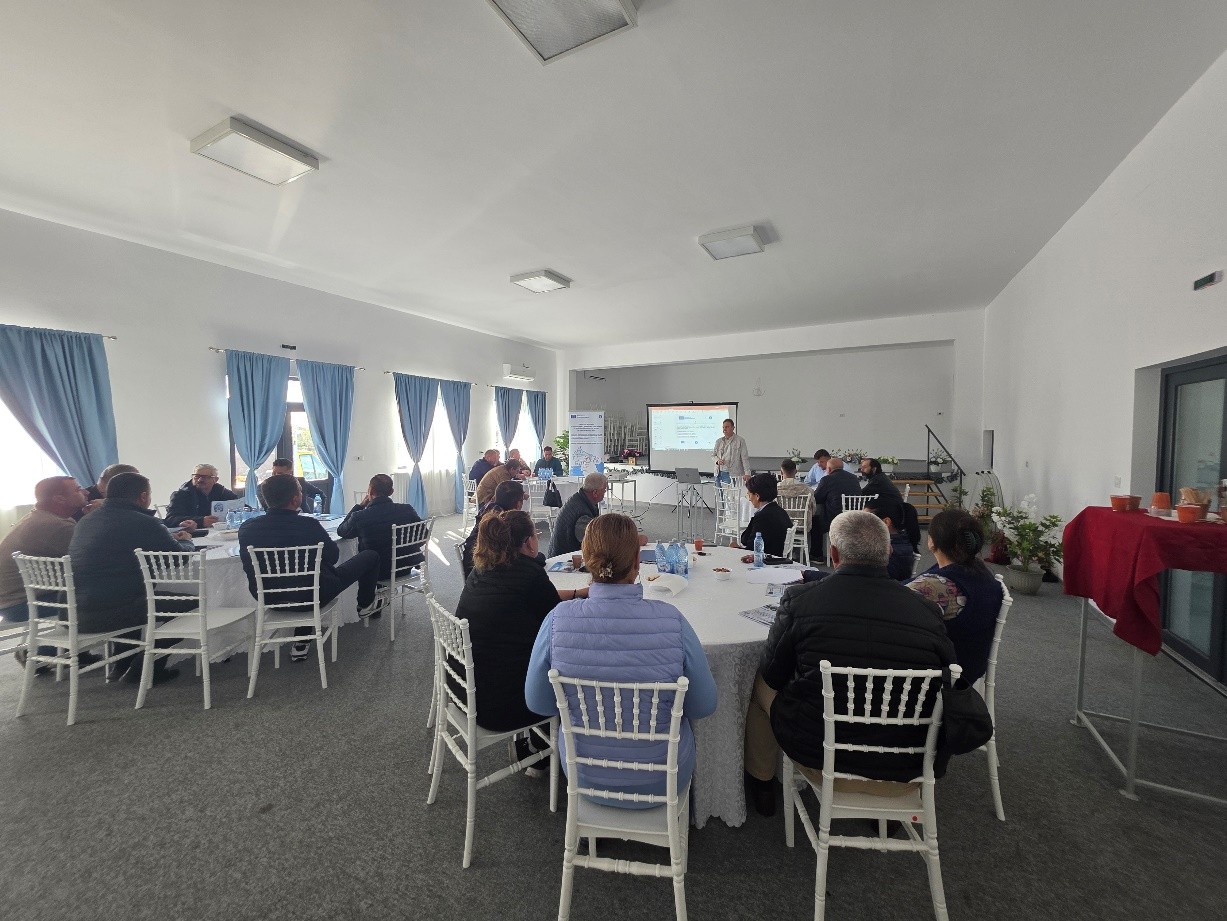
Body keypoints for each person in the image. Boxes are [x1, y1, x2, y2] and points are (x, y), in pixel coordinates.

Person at [743, 510, 956, 816]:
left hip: (820, 759)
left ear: (833, 554)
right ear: (889, 552)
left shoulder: (801, 600)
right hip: (907, 768)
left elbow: (775, 675)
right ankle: (891, 816)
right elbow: (946, 686)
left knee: (761, 682)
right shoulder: (927, 611)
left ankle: (762, 784)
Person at [524, 514, 717, 807]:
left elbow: (538, 703)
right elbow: (704, 706)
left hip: (583, 774)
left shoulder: (556, 620)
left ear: (586, 560)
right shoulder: (673, 621)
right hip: (663, 778)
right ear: (637, 561)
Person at [456, 510, 589, 765]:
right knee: (567, 669)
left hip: (465, 689)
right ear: (528, 542)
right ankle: (541, 751)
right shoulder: (530, 574)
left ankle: (535, 747)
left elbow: (537, 598)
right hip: (500, 707)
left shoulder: (482, 569)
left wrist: (576, 592)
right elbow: (557, 624)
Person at [69, 472, 197, 685]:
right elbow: (177, 557)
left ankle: (122, 664)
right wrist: (187, 541)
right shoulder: (143, 521)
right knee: (192, 604)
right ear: (143, 496)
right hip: (111, 612)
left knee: (132, 594)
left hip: (74, 609)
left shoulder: (87, 520)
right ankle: (145, 667)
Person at [239, 474, 382, 659]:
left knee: (305, 579)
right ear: (295, 499)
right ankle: (365, 606)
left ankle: (302, 641)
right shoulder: (308, 525)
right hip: (313, 595)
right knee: (370, 556)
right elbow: (333, 557)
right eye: (300, 491)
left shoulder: (247, 528)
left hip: (269, 597)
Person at [0, 477, 90, 669]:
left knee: (93, 592)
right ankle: (41, 651)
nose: (86, 492)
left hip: (16, 598)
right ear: (59, 499)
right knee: (105, 600)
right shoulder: (55, 526)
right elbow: (95, 556)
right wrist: (95, 518)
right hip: (21, 604)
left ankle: (66, 650)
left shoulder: (42, 517)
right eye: (78, 489)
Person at [908, 508, 1005, 684]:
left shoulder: (941, 585)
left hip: (947, 674)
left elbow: (894, 599)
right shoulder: (976, 569)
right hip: (969, 662)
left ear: (931, 542)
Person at [336, 473, 424, 585]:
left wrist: (360, 505)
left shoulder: (360, 516)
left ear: (371, 490)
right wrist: (406, 547)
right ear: (391, 492)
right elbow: (423, 535)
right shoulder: (407, 509)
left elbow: (341, 531)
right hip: (406, 566)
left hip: (377, 572)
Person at [460, 479, 529, 578]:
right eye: (521, 500)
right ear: (518, 504)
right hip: (484, 571)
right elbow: (513, 551)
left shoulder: (489, 508)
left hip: (472, 564)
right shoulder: (503, 521)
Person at [731, 473, 793, 557]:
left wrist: (736, 548)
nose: (749, 499)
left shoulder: (763, 517)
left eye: (749, 494)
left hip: (766, 559)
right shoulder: (780, 511)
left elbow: (751, 548)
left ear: (757, 496)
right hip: (776, 556)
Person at [547, 472, 608, 558]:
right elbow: (591, 541)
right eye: (604, 490)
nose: (605, 493)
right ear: (595, 493)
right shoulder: (582, 513)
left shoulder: (579, 498)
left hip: (560, 553)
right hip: (564, 559)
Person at [165, 463, 238, 528]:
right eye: (196, 476)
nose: (200, 480)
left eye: (205, 477)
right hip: (193, 534)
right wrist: (201, 521)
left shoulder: (223, 493)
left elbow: (240, 508)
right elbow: (170, 519)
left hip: (220, 532)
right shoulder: (180, 495)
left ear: (215, 479)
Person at [865, 496, 915, 582]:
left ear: (886, 522)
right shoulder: (902, 541)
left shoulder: (890, 552)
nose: (863, 523)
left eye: (867, 519)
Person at [811, 457, 862, 542]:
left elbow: (817, 498)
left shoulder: (827, 479)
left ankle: (819, 550)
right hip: (854, 516)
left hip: (835, 517)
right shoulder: (854, 478)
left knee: (815, 521)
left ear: (829, 469)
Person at [713, 418, 751, 486]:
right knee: (718, 492)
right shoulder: (719, 441)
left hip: (731, 474)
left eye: (727, 427)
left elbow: (744, 458)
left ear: (733, 428)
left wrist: (747, 473)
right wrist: (717, 461)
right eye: (723, 427)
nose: (724, 429)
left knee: (729, 492)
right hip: (718, 473)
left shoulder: (740, 441)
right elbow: (713, 455)